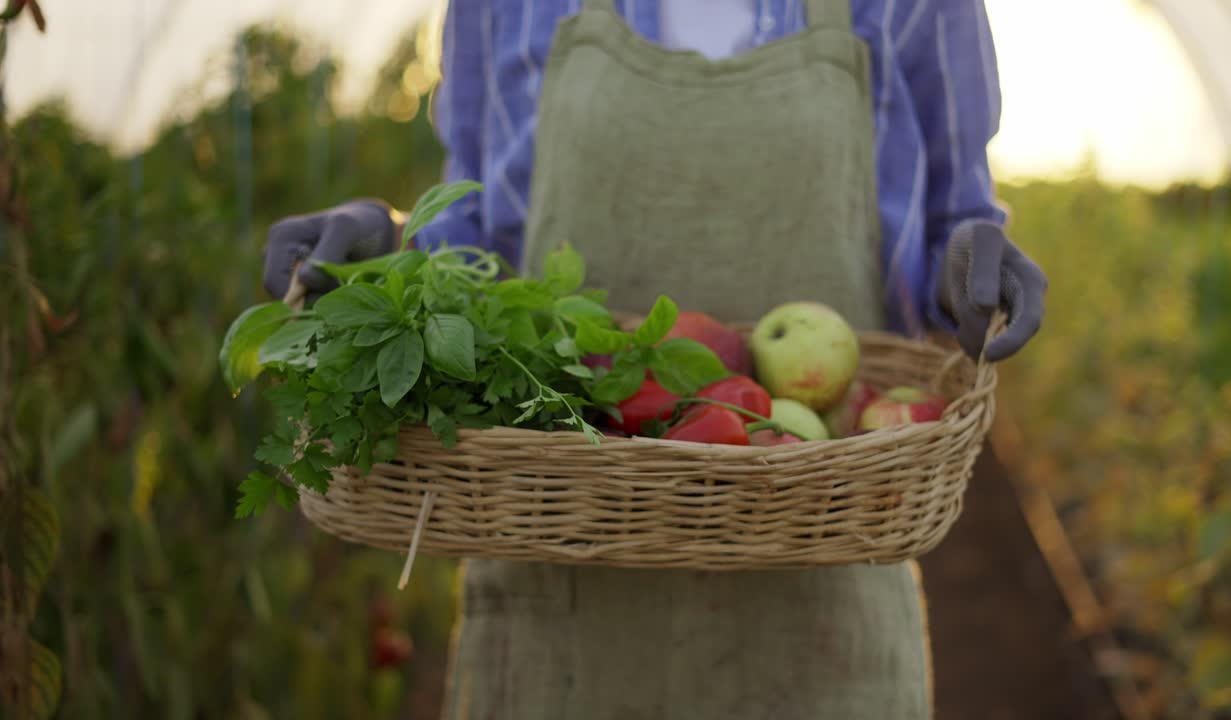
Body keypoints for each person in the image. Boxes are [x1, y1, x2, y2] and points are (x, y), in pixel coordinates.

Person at [263, 1, 1047, 717]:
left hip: (820, 628)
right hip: (560, 628)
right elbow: (474, 253)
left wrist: (969, 269)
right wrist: (387, 249)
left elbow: (951, 219)